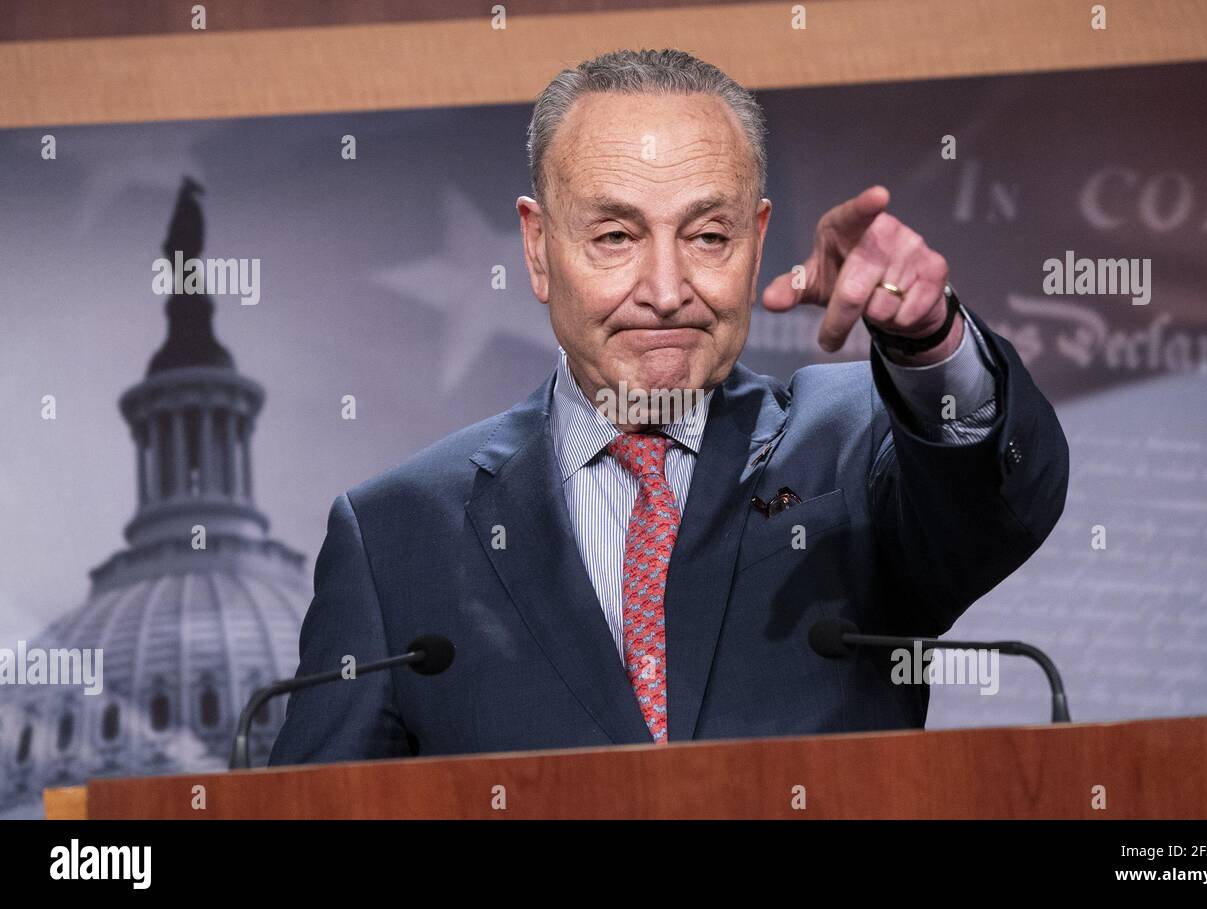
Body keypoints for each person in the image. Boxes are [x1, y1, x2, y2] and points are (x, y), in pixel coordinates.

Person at [269, 48, 1068, 764]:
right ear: (539, 248)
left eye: (708, 236)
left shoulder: (854, 444)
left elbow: (993, 509)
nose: (664, 290)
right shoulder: (394, 537)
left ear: (757, 239)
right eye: (615, 235)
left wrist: (930, 341)